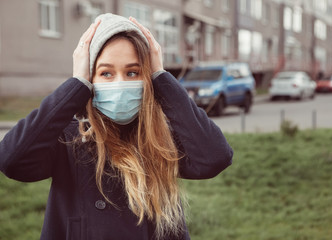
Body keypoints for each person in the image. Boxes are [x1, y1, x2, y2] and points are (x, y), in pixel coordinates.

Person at [0, 13, 233, 240]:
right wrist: (75, 86)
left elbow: (215, 157)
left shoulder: (161, 137)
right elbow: (11, 159)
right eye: (106, 73)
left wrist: (162, 79)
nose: (120, 83)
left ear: (147, 79)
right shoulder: (68, 137)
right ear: (90, 80)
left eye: (133, 72)